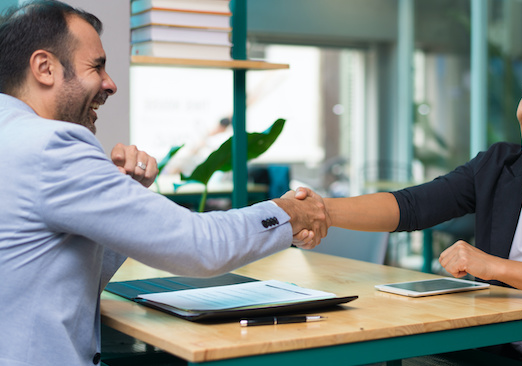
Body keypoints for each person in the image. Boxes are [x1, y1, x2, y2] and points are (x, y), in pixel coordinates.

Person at [0, 1, 329, 365]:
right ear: (44, 68)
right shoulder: (51, 145)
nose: (110, 83)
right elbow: (198, 246)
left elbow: (53, 273)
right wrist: (288, 212)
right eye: (97, 66)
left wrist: (121, 197)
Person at [312, 46, 522, 365]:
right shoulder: (497, 166)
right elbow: (414, 205)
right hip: (493, 356)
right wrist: (322, 211)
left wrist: (493, 267)